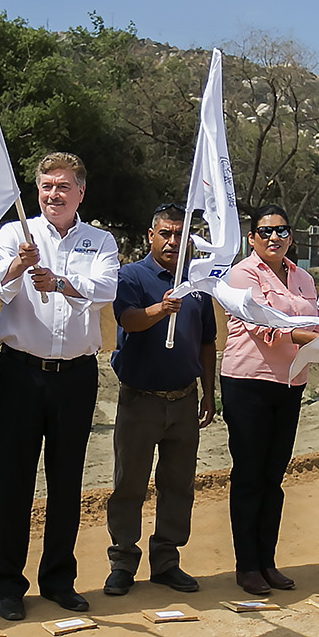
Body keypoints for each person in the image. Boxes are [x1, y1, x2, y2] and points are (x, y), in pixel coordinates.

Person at [0, 152, 119, 620]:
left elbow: (105, 289)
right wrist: (19, 267)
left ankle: (58, 579)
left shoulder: (99, 241)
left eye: (62, 186)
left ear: (81, 191)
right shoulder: (15, 234)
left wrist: (60, 280)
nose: (53, 194)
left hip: (76, 377)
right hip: (22, 373)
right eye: (45, 186)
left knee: (66, 480)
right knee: (12, 480)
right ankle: (7, 584)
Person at [104, 204, 218, 597]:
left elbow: (207, 341)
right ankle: (122, 560)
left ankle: (167, 559)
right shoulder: (132, 275)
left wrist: (209, 391)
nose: (173, 242)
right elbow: (128, 320)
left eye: (180, 235)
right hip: (141, 400)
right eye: (165, 234)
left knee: (178, 483)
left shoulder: (197, 282)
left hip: (184, 399)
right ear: (150, 235)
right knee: (129, 482)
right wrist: (160, 308)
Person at [220, 204, 319, 596]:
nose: (274, 238)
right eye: (265, 232)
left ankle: (267, 561)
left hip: (291, 383)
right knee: (249, 475)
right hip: (248, 383)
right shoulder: (243, 274)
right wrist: (318, 340)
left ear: (291, 236)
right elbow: (264, 325)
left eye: (281, 230)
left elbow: (316, 322)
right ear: (252, 238)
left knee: (273, 477)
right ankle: (247, 565)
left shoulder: (303, 279)